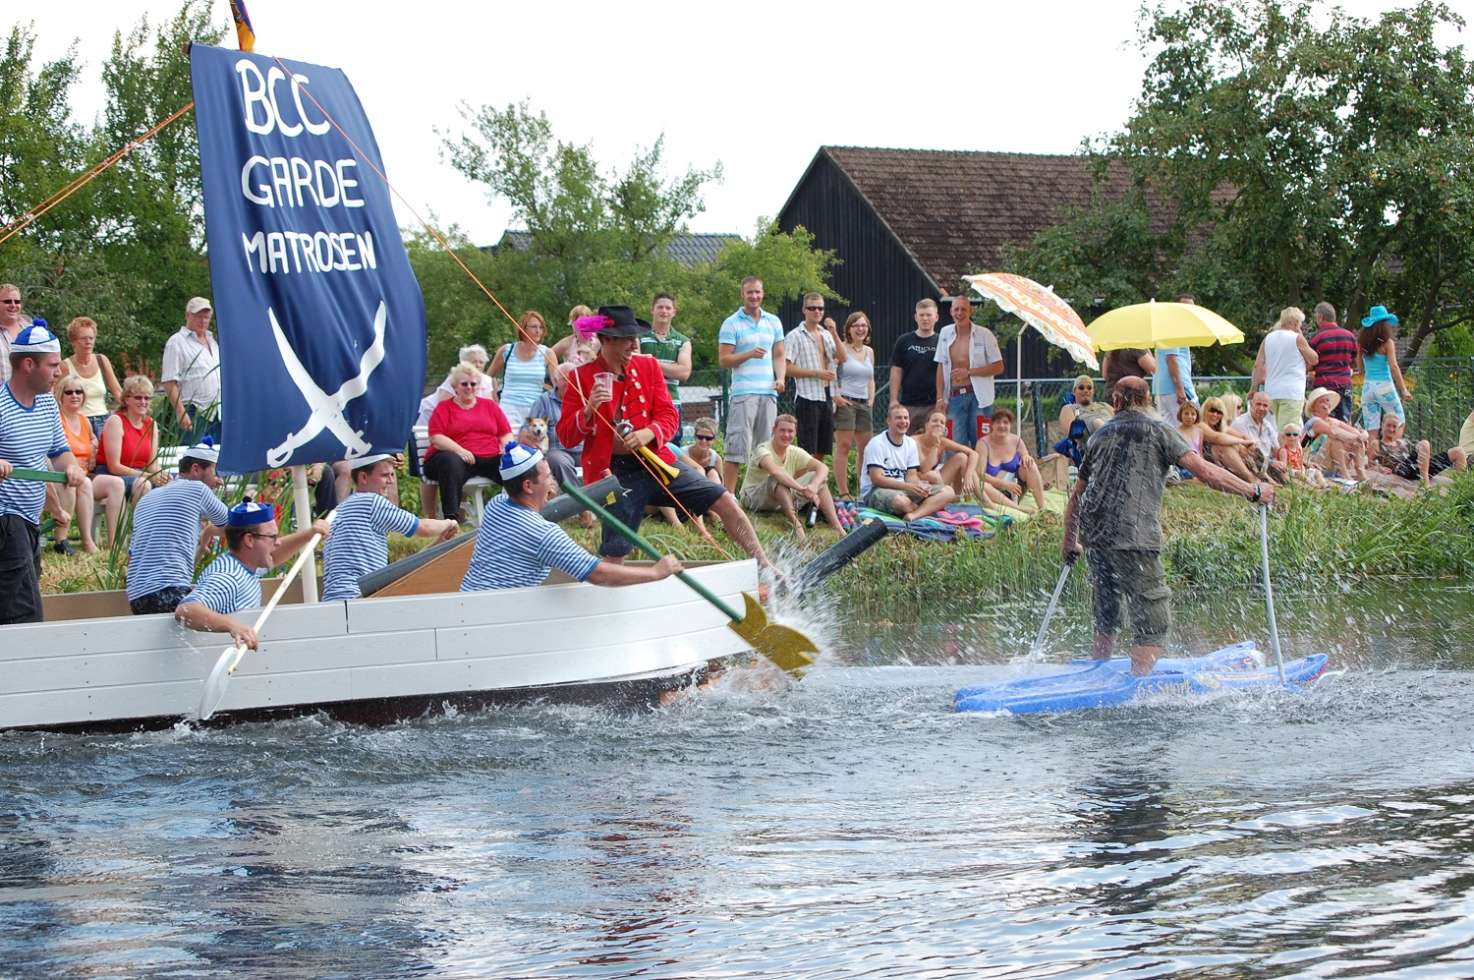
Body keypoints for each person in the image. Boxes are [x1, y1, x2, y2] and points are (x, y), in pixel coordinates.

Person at [1062, 376, 1274, 676]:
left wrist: (1070, 541)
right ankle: (1137, 688)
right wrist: (1253, 491)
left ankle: (1095, 674)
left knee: (1106, 613)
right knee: (1152, 622)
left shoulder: (1099, 437)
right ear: (1148, 401)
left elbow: (1076, 497)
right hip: (1135, 538)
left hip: (1096, 538)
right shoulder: (1160, 431)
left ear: (1116, 402)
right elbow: (1206, 472)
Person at [560, 305, 773, 569]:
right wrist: (588, 410)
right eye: (627, 338)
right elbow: (566, 437)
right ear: (606, 340)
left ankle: (765, 568)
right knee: (616, 549)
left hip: (658, 463)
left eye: (634, 337)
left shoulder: (648, 366)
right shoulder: (580, 378)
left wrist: (647, 432)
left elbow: (669, 416)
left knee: (724, 499)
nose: (634, 344)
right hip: (613, 473)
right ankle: (612, 597)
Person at [459, 443, 683, 592]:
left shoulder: (496, 506)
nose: (553, 482)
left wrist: (605, 489)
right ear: (528, 486)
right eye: (548, 477)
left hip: (469, 598)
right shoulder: (542, 534)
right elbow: (598, 574)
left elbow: (534, 513)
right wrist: (655, 572)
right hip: (497, 618)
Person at [0, 324, 88, 624]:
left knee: (23, 594)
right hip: (4, 516)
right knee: (24, 610)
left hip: (29, 517)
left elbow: (59, 452)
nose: (59, 372)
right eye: (52, 365)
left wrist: (72, 466)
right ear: (28, 365)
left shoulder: (48, 404)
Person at [174, 500, 331, 649]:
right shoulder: (229, 577)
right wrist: (234, 626)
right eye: (272, 537)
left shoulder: (246, 563)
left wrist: (310, 534)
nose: (277, 542)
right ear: (249, 540)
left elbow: (275, 556)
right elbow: (186, 610)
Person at [321, 454, 458, 601]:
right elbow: (424, 528)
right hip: (356, 598)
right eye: (385, 475)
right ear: (363, 478)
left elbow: (396, 572)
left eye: (392, 475)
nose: (391, 481)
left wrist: (437, 544)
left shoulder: (342, 509)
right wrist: (450, 523)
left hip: (335, 600)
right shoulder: (371, 501)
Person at [125, 439, 230, 614]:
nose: (218, 480)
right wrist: (210, 531)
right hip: (169, 589)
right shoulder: (197, 489)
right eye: (215, 471)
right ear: (195, 469)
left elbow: (131, 555)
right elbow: (236, 526)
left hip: (136, 597)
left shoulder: (147, 498)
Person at [424, 361, 515, 522]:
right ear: (455, 387)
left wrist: (510, 450)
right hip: (453, 459)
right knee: (450, 462)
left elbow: (505, 433)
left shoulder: (490, 406)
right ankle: (450, 521)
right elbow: (436, 437)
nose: (469, 387)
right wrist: (460, 450)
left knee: (516, 464)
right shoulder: (444, 408)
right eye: (464, 384)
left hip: (488, 458)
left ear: (478, 386)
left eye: (473, 384)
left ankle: (521, 516)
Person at [718, 277, 785, 491]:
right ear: (743, 294)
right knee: (737, 449)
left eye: (757, 292)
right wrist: (748, 354)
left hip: (768, 393)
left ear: (763, 293)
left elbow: (780, 354)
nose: (754, 296)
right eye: (750, 293)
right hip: (743, 393)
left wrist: (781, 378)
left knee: (765, 450)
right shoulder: (731, 323)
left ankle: (757, 496)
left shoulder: (773, 321)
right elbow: (724, 359)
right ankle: (728, 497)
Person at [739, 414, 845, 540]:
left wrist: (813, 486)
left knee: (817, 478)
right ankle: (797, 526)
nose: (786, 435)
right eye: (782, 430)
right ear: (774, 430)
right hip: (753, 498)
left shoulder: (794, 451)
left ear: (795, 433)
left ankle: (838, 528)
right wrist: (802, 489)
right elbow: (775, 472)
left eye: (790, 431)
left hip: (780, 496)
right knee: (777, 478)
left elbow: (823, 468)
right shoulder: (762, 450)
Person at [94, 375, 167, 529]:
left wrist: (163, 476)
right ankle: (140, 535)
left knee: (173, 486)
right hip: (112, 476)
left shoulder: (151, 424)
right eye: (138, 397)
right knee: (143, 485)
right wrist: (148, 476)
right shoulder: (116, 421)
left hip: (141, 476)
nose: (143, 402)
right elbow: (114, 466)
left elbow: (153, 465)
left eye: (147, 398)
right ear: (126, 399)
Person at [860, 405, 957, 518]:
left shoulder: (910, 443)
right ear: (888, 421)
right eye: (899, 418)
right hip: (877, 490)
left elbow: (911, 475)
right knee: (902, 503)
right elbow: (877, 479)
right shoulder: (877, 443)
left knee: (948, 491)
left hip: (903, 488)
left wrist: (918, 486)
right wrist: (908, 487)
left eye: (906, 418)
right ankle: (927, 509)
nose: (903, 421)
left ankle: (914, 515)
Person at [933, 293, 1004, 448]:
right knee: (953, 445)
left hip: (978, 397)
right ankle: (958, 472)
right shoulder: (945, 333)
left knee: (981, 443)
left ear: (970, 311)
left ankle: (981, 473)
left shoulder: (984, 335)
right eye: (956, 309)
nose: (959, 313)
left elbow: (999, 366)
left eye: (963, 309)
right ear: (951, 311)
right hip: (954, 397)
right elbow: (940, 365)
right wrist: (940, 398)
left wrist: (969, 372)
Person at [48, 373, 101, 554]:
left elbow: (92, 441)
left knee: (114, 484)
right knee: (80, 483)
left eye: (79, 392)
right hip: (58, 474)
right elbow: (53, 451)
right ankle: (62, 539)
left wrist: (94, 445)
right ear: (60, 395)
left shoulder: (85, 421)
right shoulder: (56, 419)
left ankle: (89, 540)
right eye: (69, 392)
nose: (74, 395)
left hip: (84, 471)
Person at [784, 292, 840, 459]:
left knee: (823, 449)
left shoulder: (827, 334)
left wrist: (835, 332)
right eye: (812, 308)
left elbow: (842, 358)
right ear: (804, 310)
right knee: (807, 451)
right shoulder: (794, 336)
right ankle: (801, 484)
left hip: (827, 396)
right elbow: (786, 368)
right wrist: (816, 373)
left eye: (820, 308)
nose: (817, 311)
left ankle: (815, 483)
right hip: (807, 397)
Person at [488, 310, 558, 433]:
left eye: (541, 327)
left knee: (532, 449)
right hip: (508, 408)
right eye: (534, 327)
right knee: (509, 447)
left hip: (535, 411)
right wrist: (494, 400)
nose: (538, 331)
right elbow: (488, 377)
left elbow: (557, 385)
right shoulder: (506, 350)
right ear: (523, 328)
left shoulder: (547, 353)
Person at [161, 296, 221, 439]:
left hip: (218, 411)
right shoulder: (176, 342)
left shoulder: (213, 342)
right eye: (198, 316)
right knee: (194, 457)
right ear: (188, 315)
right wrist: (180, 412)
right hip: (193, 411)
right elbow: (169, 382)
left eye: (206, 317)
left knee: (216, 457)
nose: (203, 321)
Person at [1251, 306, 1318, 430]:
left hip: (1271, 391)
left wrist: (1253, 389)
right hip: (1291, 392)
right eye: (1300, 323)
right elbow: (1314, 359)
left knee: (1272, 430)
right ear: (1295, 322)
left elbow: (1258, 365)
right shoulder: (1297, 338)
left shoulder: (1268, 339)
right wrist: (1302, 336)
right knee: (1289, 431)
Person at [832, 312, 875, 498]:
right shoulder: (841, 349)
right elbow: (830, 372)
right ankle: (843, 492)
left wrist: (871, 399)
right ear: (849, 329)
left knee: (866, 449)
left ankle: (862, 490)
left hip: (864, 404)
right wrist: (836, 396)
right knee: (843, 446)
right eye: (856, 325)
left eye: (863, 325)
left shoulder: (869, 351)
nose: (860, 329)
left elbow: (870, 378)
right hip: (846, 401)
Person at [59, 316, 122, 436]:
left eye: (91, 338)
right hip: (78, 422)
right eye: (83, 338)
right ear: (73, 341)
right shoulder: (64, 366)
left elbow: (118, 391)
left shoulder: (102, 361)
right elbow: (57, 398)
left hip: (104, 421)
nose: (88, 342)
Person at [890, 298, 944, 434]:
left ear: (936, 317)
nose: (925, 318)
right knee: (905, 444)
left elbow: (945, 372)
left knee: (934, 444)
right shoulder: (904, 341)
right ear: (916, 317)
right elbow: (896, 371)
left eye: (929, 315)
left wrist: (941, 400)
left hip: (934, 405)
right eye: (921, 315)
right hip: (908, 404)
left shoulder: (942, 341)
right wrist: (894, 400)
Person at [979, 407, 1048, 512]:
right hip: (993, 491)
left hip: (1016, 490)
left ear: (1010, 425)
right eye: (998, 422)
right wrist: (1003, 484)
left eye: (1005, 422)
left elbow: (1026, 455)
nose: (1002, 426)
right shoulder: (983, 444)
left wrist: (1026, 457)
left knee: (1030, 465)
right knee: (981, 485)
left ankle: (1042, 507)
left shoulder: (1016, 440)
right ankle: (1018, 509)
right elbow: (980, 474)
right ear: (992, 425)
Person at [1356, 305, 1412, 432]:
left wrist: (1363, 372)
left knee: (1372, 429)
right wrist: (1403, 389)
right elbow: (1393, 366)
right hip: (1384, 387)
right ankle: (1394, 450)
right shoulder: (1387, 343)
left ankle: (1372, 451)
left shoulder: (1362, 342)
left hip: (1368, 388)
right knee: (1399, 422)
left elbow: (1359, 365)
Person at [641, 293, 692, 416]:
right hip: (643, 401)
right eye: (660, 307)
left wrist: (650, 362)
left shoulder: (683, 341)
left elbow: (684, 373)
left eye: (668, 308)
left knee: (672, 436)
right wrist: (673, 367)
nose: (664, 311)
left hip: (671, 402)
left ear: (674, 312)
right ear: (652, 310)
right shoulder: (638, 337)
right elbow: (636, 367)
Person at [1368, 416, 1453, 488]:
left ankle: (1460, 487)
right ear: (1382, 426)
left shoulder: (1402, 442)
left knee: (1457, 452)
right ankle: (1426, 485)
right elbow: (1369, 464)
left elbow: (1415, 454)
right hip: (1400, 469)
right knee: (1424, 443)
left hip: (1414, 468)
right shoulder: (1377, 443)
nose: (1391, 429)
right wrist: (1380, 468)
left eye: (1394, 426)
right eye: (1388, 426)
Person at [1303, 387, 1369, 479]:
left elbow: (1355, 432)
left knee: (1355, 441)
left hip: (1329, 461)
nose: (1326, 403)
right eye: (1322, 401)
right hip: (1312, 461)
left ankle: (1361, 474)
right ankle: (1345, 475)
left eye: (1327, 400)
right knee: (1335, 439)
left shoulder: (1332, 421)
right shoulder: (1315, 421)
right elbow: (1335, 433)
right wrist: (1358, 437)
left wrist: (1363, 435)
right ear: (1313, 407)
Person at [914, 410, 980, 502]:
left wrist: (968, 475)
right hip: (918, 482)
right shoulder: (914, 441)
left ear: (945, 428)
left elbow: (973, 453)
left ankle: (962, 498)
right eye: (934, 421)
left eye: (942, 422)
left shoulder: (943, 441)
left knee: (962, 458)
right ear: (926, 425)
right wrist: (935, 444)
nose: (938, 424)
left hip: (936, 481)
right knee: (931, 475)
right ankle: (955, 498)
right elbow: (924, 469)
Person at [1307, 302, 1356, 424]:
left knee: (1325, 422)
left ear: (1320, 317)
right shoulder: (1349, 336)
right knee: (1344, 422)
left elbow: (1310, 363)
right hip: (1345, 385)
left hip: (1324, 385)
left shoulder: (1316, 337)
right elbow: (1355, 361)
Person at [1221, 392, 1280, 481]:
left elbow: (1276, 449)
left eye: (1265, 406)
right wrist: (1271, 462)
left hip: (1268, 465)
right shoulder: (1240, 423)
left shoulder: (1268, 425)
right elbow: (1249, 452)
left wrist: (1281, 460)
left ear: (1269, 408)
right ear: (1251, 405)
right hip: (1252, 466)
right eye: (1258, 404)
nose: (1261, 408)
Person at [1056, 375, 1114, 465]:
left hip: (1114, 434)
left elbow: (1120, 419)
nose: (1085, 391)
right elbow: (1070, 431)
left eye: (1089, 388)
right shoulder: (1070, 408)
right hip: (1091, 443)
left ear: (1093, 391)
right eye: (1081, 388)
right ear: (1074, 391)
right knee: (1097, 422)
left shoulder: (1104, 405)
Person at [0, 282, 35, 384]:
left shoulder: (32, 330)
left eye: (17, 301)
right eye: (7, 301)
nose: (13, 305)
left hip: (30, 396)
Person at [1275, 421, 1326, 488]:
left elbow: (1301, 462)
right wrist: (1296, 472)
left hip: (1300, 470)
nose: (1292, 437)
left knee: (1317, 472)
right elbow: (1283, 466)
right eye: (1288, 434)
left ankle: (1323, 484)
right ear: (1283, 437)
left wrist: (1303, 469)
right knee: (1299, 474)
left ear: (1299, 437)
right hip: (1291, 471)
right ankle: (1314, 485)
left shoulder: (1299, 448)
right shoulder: (1284, 450)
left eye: (1295, 434)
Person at [681, 416, 723, 483]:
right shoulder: (682, 453)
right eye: (700, 437)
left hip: (710, 488)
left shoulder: (716, 459)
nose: (704, 441)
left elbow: (722, 485)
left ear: (714, 440)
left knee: (713, 473)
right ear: (695, 436)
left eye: (708, 438)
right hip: (687, 487)